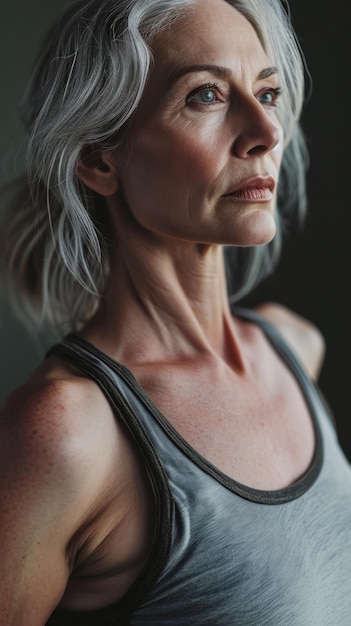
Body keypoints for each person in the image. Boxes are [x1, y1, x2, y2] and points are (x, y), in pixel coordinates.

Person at [0, 0, 351, 624]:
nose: (265, 133)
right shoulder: (70, 431)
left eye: (267, 92)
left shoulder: (293, 348)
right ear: (99, 159)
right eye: (206, 96)